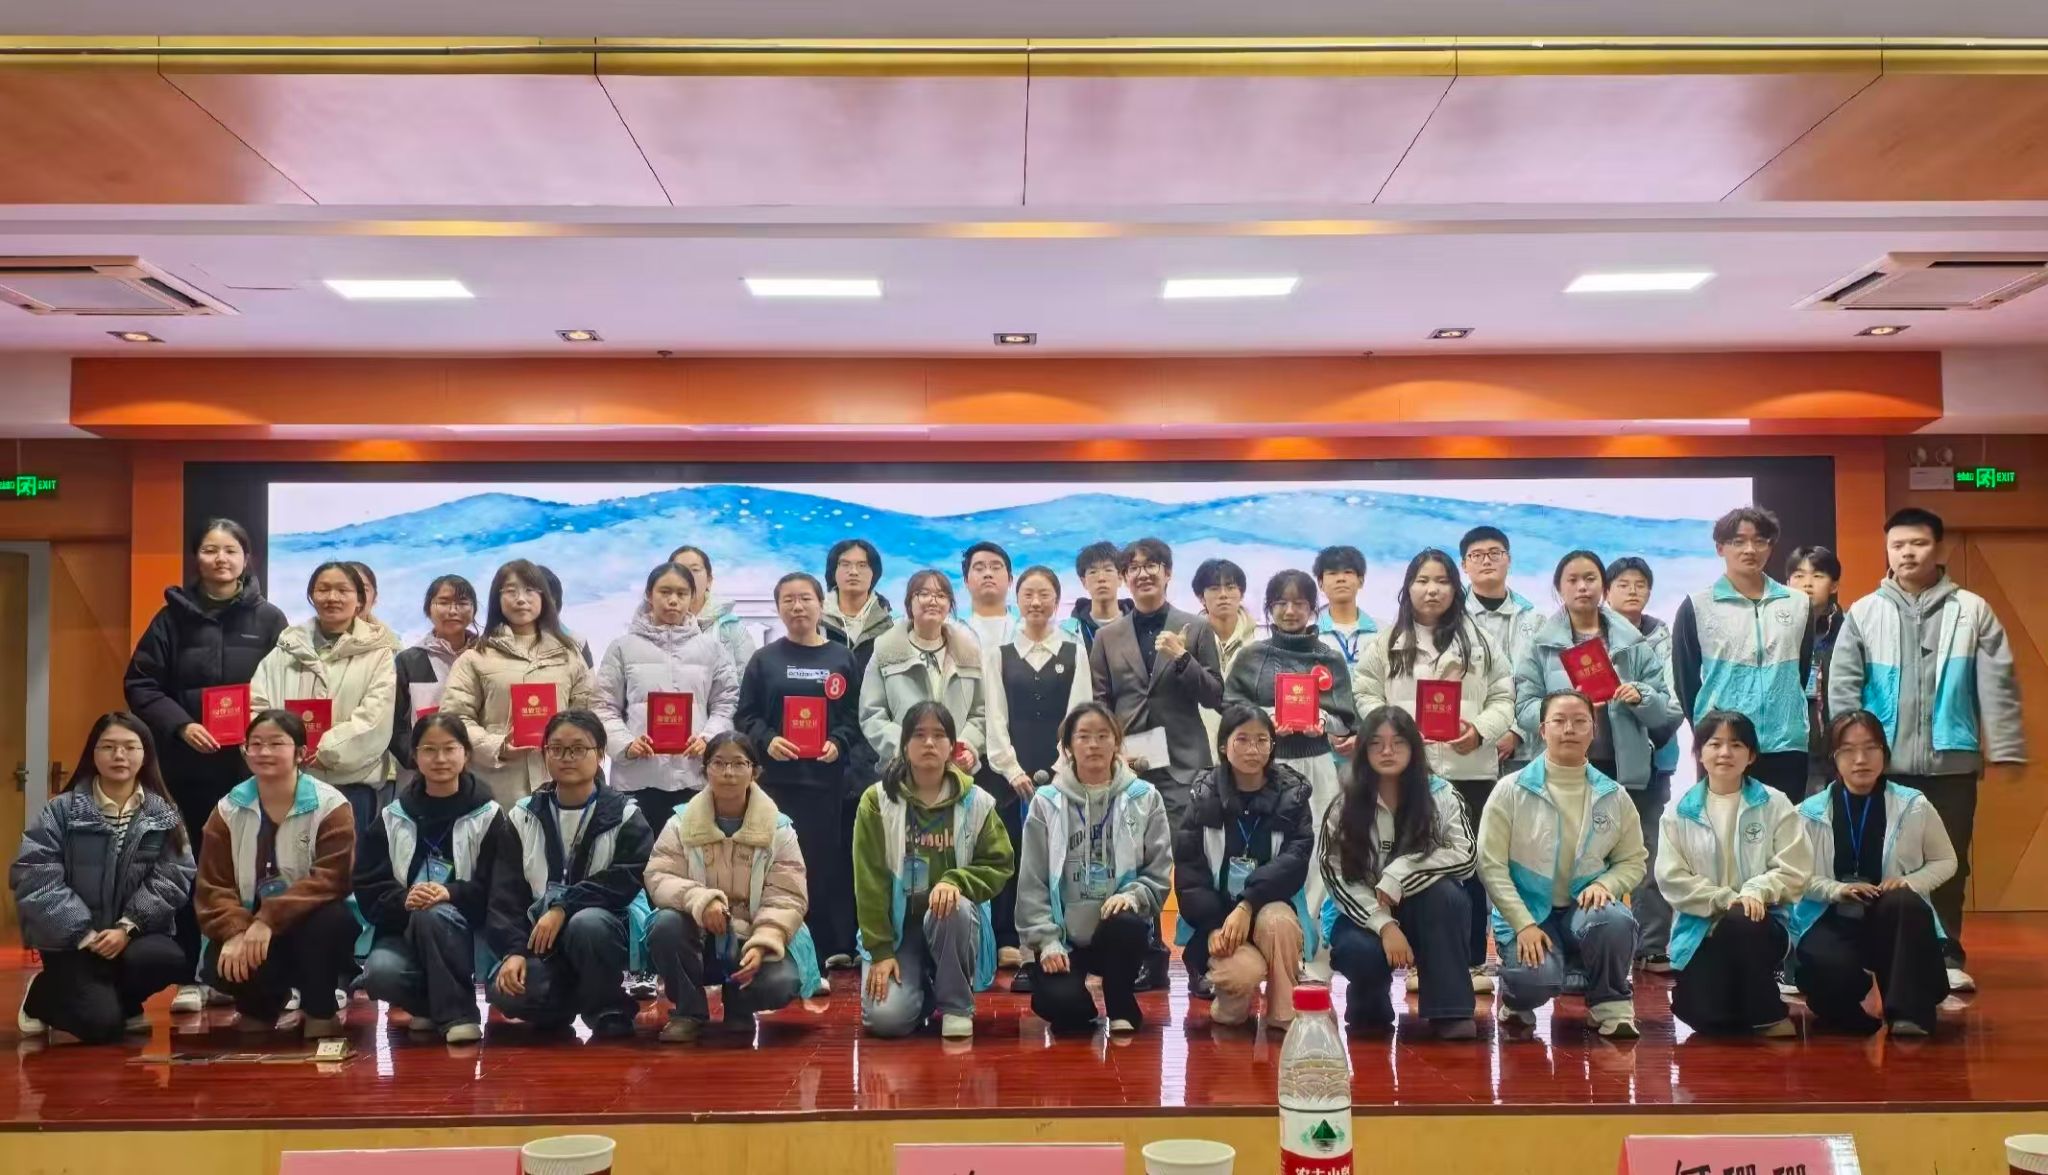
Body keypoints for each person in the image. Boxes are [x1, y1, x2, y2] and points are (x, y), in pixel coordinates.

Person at [1825, 508, 2024, 995]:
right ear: (1887, 551)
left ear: (1939, 547)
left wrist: (2005, 745)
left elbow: (1997, 682)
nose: (1907, 553)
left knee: (1948, 863)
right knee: (1881, 862)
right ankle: (1882, 955)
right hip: (1883, 766)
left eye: (1917, 543)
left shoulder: (1971, 610)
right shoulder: (1866, 612)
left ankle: (1947, 953)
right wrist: (1851, 753)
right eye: (1897, 545)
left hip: (1951, 762)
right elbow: (1844, 687)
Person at [122, 517, 288, 1013]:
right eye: (211, 550)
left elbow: (285, 687)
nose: (221, 559)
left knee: (256, 866)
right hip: (189, 768)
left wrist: (265, 735)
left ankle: (248, 972)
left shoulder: (270, 619)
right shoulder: (170, 619)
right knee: (192, 866)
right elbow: (141, 684)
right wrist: (181, 725)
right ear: (196, 557)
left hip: (252, 768)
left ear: (246, 558)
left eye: (230, 550)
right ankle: (190, 977)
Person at [1354, 548, 1515, 990]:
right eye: (1423, 580)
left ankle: (1473, 962)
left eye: (1442, 581)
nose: (1432, 590)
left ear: (1455, 589)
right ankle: (1420, 963)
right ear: (1407, 587)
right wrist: (1392, 735)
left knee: (1471, 865)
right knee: (1411, 861)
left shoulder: (1482, 642)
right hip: (1408, 774)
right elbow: (1365, 693)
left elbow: (1504, 695)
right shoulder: (1386, 642)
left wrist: (1480, 731)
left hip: (1470, 769)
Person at [1516, 550, 1680, 977]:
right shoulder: (1541, 644)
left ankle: (1651, 947)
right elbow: (1523, 708)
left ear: (1602, 587)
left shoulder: (1633, 641)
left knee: (1642, 856)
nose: (1582, 587)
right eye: (1572, 579)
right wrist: (1563, 712)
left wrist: (1640, 697)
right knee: (1571, 860)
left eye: (1590, 578)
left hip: (1628, 769)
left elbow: (1666, 708)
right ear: (1559, 588)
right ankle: (1575, 954)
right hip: (1565, 773)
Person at [12, 713, 193, 1043]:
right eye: (108, 747)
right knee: (101, 1026)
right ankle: (40, 995)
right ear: (92, 753)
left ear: (145, 754)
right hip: (71, 940)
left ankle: (122, 1001)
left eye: (130, 747)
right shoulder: (62, 810)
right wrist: (83, 932)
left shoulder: (163, 812)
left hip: (130, 934)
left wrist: (127, 927)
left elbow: (173, 877)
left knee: (166, 959)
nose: (119, 755)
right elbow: (34, 875)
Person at [1479, 690, 1648, 1039]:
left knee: (1615, 920)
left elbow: (1633, 860)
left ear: (1594, 730)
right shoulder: (1510, 791)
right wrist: (1523, 924)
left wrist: (1606, 884)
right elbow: (1491, 866)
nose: (1569, 729)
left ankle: (1611, 1005)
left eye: (1579, 721)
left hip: (1583, 910)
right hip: (1529, 913)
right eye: (1559, 721)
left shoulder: (1614, 795)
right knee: (1536, 981)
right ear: (1543, 730)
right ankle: (1516, 998)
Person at [485, 710, 653, 1038]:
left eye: (578, 748)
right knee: (507, 992)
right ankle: (559, 1002)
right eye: (557, 749)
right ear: (544, 753)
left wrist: (564, 906)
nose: (567, 757)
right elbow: (505, 893)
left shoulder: (625, 815)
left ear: (600, 754)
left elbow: (624, 881)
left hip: (605, 930)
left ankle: (608, 1008)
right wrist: (514, 951)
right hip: (540, 936)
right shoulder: (523, 816)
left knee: (587, 923)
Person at [1790, 710, 1956, 1036]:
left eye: (1871, 748)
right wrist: (1834, 889)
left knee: (1903, 902)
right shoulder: (1807, 814)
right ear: (1833, 757)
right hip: (1831, 915)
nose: (1860, 759)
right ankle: (1845, 1008)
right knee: (1831, 981)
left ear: (1885, 752)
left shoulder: (1913, 805)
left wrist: (1908, 882)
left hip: (1891, 915)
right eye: (1848, 750)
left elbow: (1945, 860)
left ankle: (1909, 1014)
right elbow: (1794, 875)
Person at [853, 702, 1014, 1039]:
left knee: (953, 906)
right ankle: (924, 991)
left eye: (939, 735)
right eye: (919, 735)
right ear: (904, 745)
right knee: (887, 1021)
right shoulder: (876, 801)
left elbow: (1000, 863)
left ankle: (956, 1006)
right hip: (898, 929)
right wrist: (881, 951)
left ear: (952, 746)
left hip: (953, 924)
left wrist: (957, 881)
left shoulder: (977, 801)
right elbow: (869, 881)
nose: (929, 743)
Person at [643, 731, 817, 1043]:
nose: (728, 773)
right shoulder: (680, 823)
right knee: (665, 924)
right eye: (719, 763)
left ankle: (740, 1007)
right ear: (705, 769)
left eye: (739, 764)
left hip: (754, 932)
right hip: (699, 935)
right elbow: (659, 876)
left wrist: (763, 943)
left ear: (755, 771)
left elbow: (787, 896)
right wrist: (701, 900)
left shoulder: (779, 829)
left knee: (779, 982)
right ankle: (688, 1012)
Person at [194, 709, 358, 1039]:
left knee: (331, 921)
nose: (264, 752)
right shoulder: (227, 809)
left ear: (300, 752)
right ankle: (259, 1007)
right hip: (250, 921)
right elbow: (213, 884)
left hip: (311, 920)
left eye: (276, 743)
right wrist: (235, 929)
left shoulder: (331, 806)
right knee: (220, 960)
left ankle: (320, 1008)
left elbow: (331, 879)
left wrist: (268, 919)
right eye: (255, 744)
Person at [1225, 570, 1357, 978]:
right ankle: (1266, 942)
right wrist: (1267, 720)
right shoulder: (1251, 656)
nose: (1290, 611)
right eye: (1280, 603)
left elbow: (1348, 717)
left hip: (1317, 766)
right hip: (1262, 768)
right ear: (1268, 608)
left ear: (1313, 608)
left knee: (1317, 851)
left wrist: (1323, 721)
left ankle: (1310, 949)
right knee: (1266, 849)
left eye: (1299, 603)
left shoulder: (1329, 657)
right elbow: (1231, 709)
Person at [1322, 706, 1477, 1038]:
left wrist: (1401, 873)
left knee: (1447, 896)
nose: (1387, 751)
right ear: (1363, 749)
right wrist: (1385, 924)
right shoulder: (1344, 804)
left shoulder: (1441, 794)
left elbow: (1465, 856)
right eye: (1376, 743)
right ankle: (1370, 1000)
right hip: (1364, 914)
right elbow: (1336, 876)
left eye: (1398, 743)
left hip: (1426, 908)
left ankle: (1449, 1009)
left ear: (1414, 747)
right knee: (1361, 954)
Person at [1018, 702, 1172, 1033]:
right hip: (1065, 939)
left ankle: (1120, 1002)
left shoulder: (1145, 797)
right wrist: (1046, 941)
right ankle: (1078, 1001)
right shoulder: (1046, 802)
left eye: (1103, 736)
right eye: (1084, 736)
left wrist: (1133, 896)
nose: (1093, 745)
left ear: (1117, 742)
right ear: (1068, 746)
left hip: (1115, 932)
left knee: (1128, 922)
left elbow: (1159, 872)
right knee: (1061, 1006)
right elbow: (1032, 881)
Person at [1655, 710, 1810, 1036]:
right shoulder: (1678, 811)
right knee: (1702, 1015)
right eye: (1715, 744)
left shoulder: (1775, 803)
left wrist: (1756, 891)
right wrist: (1725, 899)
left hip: (1763, 922)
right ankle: (1737, 1000)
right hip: (1702, 928)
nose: (1725, 753)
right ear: (1699, 752)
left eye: (1736, 745)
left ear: (1751, 755)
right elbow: (1671, 878)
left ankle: (1768, 1012)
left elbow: (1795, 869)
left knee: (1741, 920)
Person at [356, 714, 507, 1044]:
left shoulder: (489, 815)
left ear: (466, 753)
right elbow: (368, 884)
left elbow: (501, 888)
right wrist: (404, 899)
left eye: (449, 749)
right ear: (414, 756)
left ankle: (459, 1015)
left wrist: (451, 893)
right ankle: (429, 1006)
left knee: (435, 913)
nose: (440, 759)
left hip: (471, 930)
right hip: (405, 930)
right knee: (380, 973)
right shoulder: (392, 817)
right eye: (429, 749)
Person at [736, 572, 861, 969]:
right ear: (778, 608)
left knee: (822, 866)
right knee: (779, 866)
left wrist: (838, 741)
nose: (797, 607)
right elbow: (746, 716)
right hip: (777, 784)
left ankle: (824, 949)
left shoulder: (841, 658)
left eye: (805, 598)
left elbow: (855, 717)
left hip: (826, 783)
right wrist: (768, 740)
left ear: (821, 604)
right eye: (788, 599)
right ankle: (778, 943)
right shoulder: (764, 660)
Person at [981, 565, 1094, 986]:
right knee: (1015, 861)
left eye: (1044, 594)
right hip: (1011, 781)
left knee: (1060, 859)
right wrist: (1011, 769)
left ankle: (1062, 943)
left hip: (1062, 778)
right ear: (1018, 598)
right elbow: (995, 718)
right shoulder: (1000, 653)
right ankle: (1018, 946)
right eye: (1028, 593)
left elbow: (1080, 715)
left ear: (1057, 600)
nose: (1036, 602)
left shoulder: (1074, 651)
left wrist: (1063, 768)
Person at [1173, 706, 1313, 1024]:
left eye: (1262, 740)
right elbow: (1190, 873)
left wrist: (1247, 904)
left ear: (1272, 746)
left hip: (1269, 909)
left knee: (1279, 923)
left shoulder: (1292, 796)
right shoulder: (1203, 796)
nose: (1253, 749)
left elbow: (1294, 862)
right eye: (1243, 740)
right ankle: (1230, 1004)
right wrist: (1212, 926)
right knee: (1240, 976)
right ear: (1224, 745)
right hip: (1218, 918)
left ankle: (1282, 1013)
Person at [249, 561, 402, 840]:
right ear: (312, 596)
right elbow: (257, 706)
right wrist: (281, 750)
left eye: (343, 590)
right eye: (323, 589)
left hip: (351, 786)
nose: (332, 597)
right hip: (289, 783)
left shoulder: (379, 653)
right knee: (285, 863)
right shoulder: (286, 649)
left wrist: (325, 752)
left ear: (360, 600)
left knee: (346, 864)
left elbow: (375, 718)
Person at [1673, 506, 1814, 805]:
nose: (1750, 549)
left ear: (1770, 546)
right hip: (1725, 746)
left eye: (1760, 540)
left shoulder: (1798, 604)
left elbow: (1799, 674)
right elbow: (1685, 681)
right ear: (1720, 548)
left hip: (1785, 743)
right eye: (1738, 541)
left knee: (1784, 826)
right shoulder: (1698, 606)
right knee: (1722, 826)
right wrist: (1709, 731)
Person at [594, 561, 741, 840]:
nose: (673, 600)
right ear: (649, 595)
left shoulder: (712, 649)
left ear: (693, 597)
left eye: (682, 593)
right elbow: (603, 705)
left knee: (692, 856)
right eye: (665, 592)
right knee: (639, 856)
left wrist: (709, 740)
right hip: (637, 777)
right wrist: (626, 744)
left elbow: (726, 702)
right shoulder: (623, 648)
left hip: (694, 776)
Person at [438, 559, 599, 808]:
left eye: (530, 590)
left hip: (559, 784)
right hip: (498, 788)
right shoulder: (476, 657)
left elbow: (587, 715)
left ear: (544, 597)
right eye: (511, 591)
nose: (521, 599)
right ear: (497, 599)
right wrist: (497, 746)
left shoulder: (569, 655)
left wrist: (568, 747)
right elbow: (455, 719)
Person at [1089, 537, 1226, 829]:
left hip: (1184, 764)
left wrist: (1183, 658)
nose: (1143, 574)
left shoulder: (1197, 626)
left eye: (1151, 565)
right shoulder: (1106, 637)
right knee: (1129, 846)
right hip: (1129, 762)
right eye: (1134, 568)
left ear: (1168, 572)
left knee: (1184, 847)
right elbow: (1100, 703)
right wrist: (1111, 752)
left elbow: (1215, 696)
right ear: (1125, 577)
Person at [1603, 555, 1683, 971]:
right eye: (1623, 584)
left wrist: (1651, 724)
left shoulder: (1663, 639)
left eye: (1640, 584)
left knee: (1649, 851)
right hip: (1601, 759)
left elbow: (1676, 699)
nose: (1632, 591)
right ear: (1606, 591)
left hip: (1654, 763)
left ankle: (1652, 944)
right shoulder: (1592, 636)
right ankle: (1601, 941)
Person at [859, 569, 988, 775]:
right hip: (902, 770)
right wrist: (906, 747)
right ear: (909, 602)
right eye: (924, 594)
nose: (933, 601)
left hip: (955, 770)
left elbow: (980, 712)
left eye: (941, 595)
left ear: (950, 605)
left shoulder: (969, 653)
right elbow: (872, 713)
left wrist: (968, 746)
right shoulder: (885, 650)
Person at [1459, 526, 1544, 769]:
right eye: (1477, 555)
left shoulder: (1535, 620)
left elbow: (1541, 682)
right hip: (1465, 740)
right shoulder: (1451, 618)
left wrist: (1517, 732)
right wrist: (1479, 731)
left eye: (1495, 553)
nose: (1486, 560)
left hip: (1522, 747)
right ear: (1464, 565)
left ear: (1509, 559)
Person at [390, 574, 480, 788]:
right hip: (423, 775)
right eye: (444, 602)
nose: (453, 610)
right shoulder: (409, 660)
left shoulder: (486, 656)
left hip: (480, 769)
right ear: (428, 608)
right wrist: (419, 760)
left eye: (462, 603)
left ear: (474, 609)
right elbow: (395, 724)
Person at [1786, 545, 1845, 798]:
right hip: (1788, 747)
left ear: (1834, 585)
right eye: (1798, 576)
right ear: (1787, 583)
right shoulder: (1776, 630)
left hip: (1836, 747)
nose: (1807, 584)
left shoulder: (1849, 630)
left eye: (1818, 576)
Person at [669, 545, 759, 670]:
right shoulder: (651, 626)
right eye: (680, 569)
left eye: (695, 570)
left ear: (709, 581)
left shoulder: (730, 627)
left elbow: (750, 676)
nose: (687, 576)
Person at [822, 537, 892, 675]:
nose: (853, 572)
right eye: (845, 564)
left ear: (874, 573)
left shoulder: (890, 624)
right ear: (833, 571)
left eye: (862, 565)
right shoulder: (815, 619)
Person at [1313, 545, 1378, 673]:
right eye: (1332, 573)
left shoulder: (1382, 632)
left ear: (1361, 581)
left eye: (1348, 572)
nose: (1341, 578)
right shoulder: (1310, 635)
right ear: (1320, 583)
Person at [1063, 540, 1133, 650]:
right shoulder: (1070, 632)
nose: (1101, 578)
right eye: (1093, 572)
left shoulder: (1137, 624)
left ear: (1120, 577)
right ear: (1084, 582)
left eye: (1108, 570)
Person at [1194, 557, 1259, 676]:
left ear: (1241, 594)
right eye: (1214, 589)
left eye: (1230, 588)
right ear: (1201, 597)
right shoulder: (1190, 640)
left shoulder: (1260, 639)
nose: (1223, 595)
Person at [961, 541, 1021, 657]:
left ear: (1010, 579)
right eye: (979, 568)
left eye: (996, 568)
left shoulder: (1025, 633)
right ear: (966, 581)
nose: (988, 574)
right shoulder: (955, 634)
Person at [536, 565, 596, 669]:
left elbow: (589, 679)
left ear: (555, 601)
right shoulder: (507, 643)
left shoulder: (577, 642)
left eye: (544, 598)